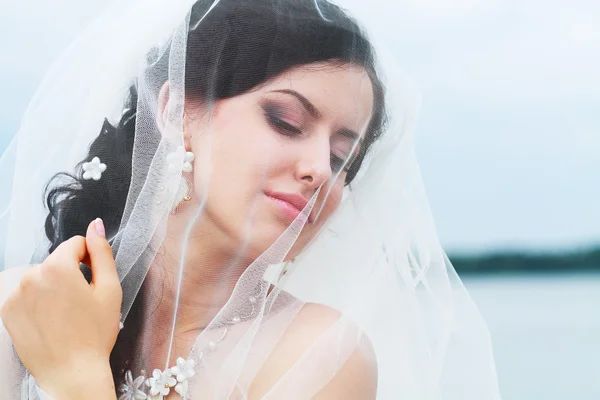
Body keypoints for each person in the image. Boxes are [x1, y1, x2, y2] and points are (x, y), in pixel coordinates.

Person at [0, 0, 502, 398]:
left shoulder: (319, 356)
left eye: (342, 156)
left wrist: (78, 379)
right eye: (286, 121)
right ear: (176, 112)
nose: (318, 171)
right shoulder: (19, 306)